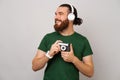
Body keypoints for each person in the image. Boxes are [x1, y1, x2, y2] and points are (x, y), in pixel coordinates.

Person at [32, 4, 94, 80]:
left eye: (60, 14)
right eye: (56, 14)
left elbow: (90, 72)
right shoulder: (48, 38)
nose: (56, 17)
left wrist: (74, 59)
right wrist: (49, 54)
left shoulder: (82, 41)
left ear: (71, 17)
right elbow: (34, 67)